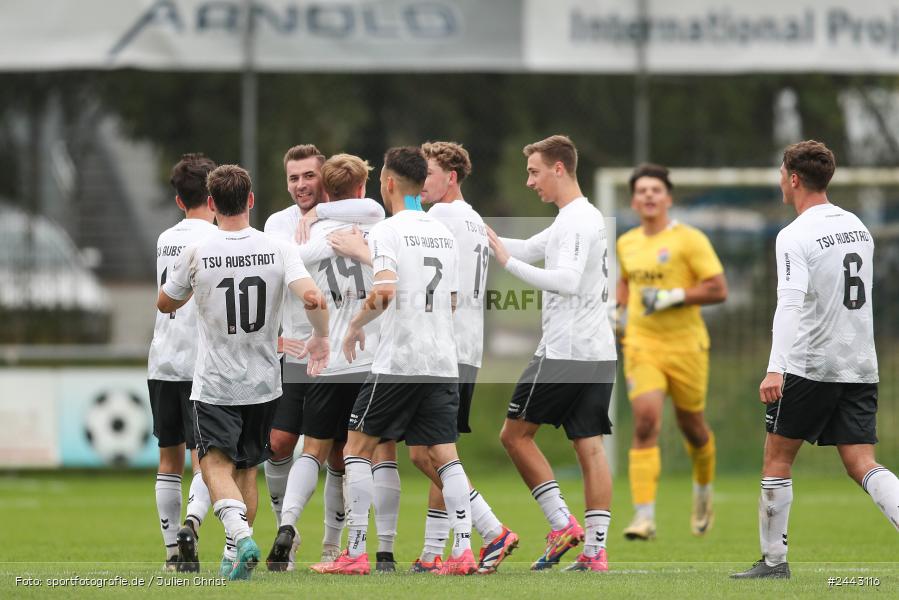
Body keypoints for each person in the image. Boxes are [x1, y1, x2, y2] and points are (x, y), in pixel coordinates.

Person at [732, 141, 899, 579]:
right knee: (862, 462)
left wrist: (775, 366)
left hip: (810, 363)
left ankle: (773, 562)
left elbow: (789, 303)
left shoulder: (795, 233)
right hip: (861, 362)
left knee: (777, 457)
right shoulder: (857, 225)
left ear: (792, 178)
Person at [157, 164, 330, 580]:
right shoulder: (278, 248)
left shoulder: (196, 250)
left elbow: (165, 303)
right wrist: (320, 337)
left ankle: (239, 534)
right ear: (250, 200)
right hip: (265, 382)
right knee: (248, 467)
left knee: (213, 463)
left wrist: (190, 292)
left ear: (212, 203)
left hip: (216, 381)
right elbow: (313, 298)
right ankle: (237, 555)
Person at [311, 146, 476, 576]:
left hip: (400, 360)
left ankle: (357, 553)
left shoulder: (388, 230)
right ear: (424, 184)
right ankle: (462, 552)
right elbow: (453, 300)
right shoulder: (442, 231)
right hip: (442, 360)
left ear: (387, 183)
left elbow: (383, 291)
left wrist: (353, 326)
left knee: (356, 447)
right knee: (446, 455)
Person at [487, 134, 615, 572]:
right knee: (589, 446)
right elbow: (529, 248)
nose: (529, 181)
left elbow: (567, 280)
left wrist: (507, 265)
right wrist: (479, 235)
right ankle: (595, 551)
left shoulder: (578, 219)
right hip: (597, 351)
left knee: (514, 435)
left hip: (568, 351)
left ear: (559, 168)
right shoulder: (573, 218)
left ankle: (562, 523)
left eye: (534, 171)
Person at [265, 153, 389, 571]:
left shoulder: (312, 237)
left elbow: (290, 264)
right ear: (360, 187)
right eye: (293, 178)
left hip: (325, 357)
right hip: (364, 356)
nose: (302, 185)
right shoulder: (377, 228)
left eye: (309, 178)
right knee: (355, 454)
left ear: (325, 186)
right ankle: (352, 546)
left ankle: (294, 527)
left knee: (316, 451)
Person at [415, 140, 518, 574]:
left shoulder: (438, 217)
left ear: (450, 177)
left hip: (443, 348)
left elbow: (441, 291)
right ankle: (431, 552)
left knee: (426, 453)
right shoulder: (474, 219)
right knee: (440, 448)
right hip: (468, 349)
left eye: (428, 173)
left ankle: (492, 530)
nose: (422, 182)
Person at [616, 164, 727, 540]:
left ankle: (703, 491)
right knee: (646, 421)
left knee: (692, 428)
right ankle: (643, 516)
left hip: (686, 347)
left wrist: (673, 296)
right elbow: (626, 284)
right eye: (642, 190)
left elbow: (718, 289)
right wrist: (618, 315)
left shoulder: (689, 240)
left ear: (668, 198)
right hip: (642, 345)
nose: (648, 195)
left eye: (656, 190)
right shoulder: (627, 242)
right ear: (633, 200)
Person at [148, 153, 217, 572]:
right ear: (213, 196)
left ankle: (173, 555)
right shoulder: (215, 240)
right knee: (206, 458)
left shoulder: (164, 239)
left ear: (177, 200)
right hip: (202, 364)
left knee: (167, 457)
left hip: (162, 360)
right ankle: (191, 526)